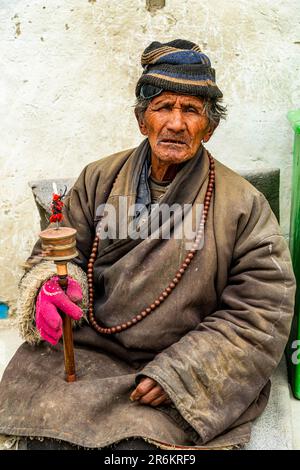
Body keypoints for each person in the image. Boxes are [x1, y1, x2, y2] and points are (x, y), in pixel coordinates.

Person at [0, 39, 296, 450]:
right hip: (94, 351)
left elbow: (264, 309)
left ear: (209, 128)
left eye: (191, 111)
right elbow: (55, 255)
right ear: (143, 121)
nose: (176, 123)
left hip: (181, 360)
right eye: (163, 108)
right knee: (45, 432)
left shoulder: (242, 203)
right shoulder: (98, 179)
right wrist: (50, 286)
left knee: (141, 448)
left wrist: (181, 374)